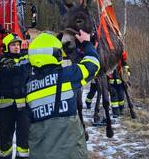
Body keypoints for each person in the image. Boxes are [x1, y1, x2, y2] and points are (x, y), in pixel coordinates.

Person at [25, 30, 100, 159]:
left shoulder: (28, 86)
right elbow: (93, 64)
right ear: (57, 54)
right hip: (70, 153)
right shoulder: (68, 75)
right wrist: (87, 43)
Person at [0, 33, 30, 159]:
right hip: (5, 110)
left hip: (24, 109)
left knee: (24, 141)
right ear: (6, 47)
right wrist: (2, 59)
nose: (17, 47)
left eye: (18, 45)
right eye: (13, 45)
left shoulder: (25, 58)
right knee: (5, 141)